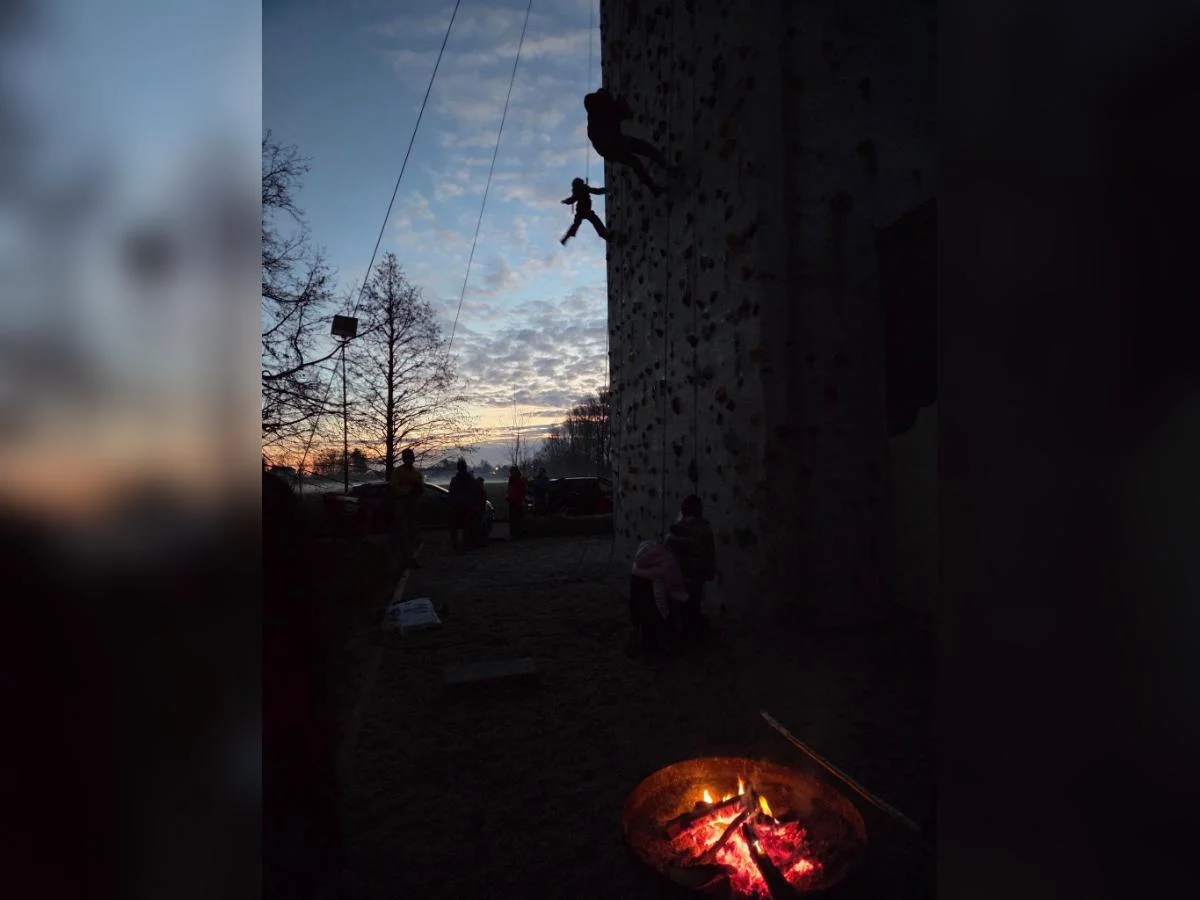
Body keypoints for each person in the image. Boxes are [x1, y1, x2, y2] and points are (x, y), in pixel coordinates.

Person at [584, 88, 673, 197]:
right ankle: (665, 167)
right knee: (645, 149)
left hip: (609, 149)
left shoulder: (595, 117)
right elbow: (626, 114)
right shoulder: (606, 108)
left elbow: (622, 116)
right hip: (613, 144)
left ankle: (654, 187)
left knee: (636, 162)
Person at [664, 494, 718, 644]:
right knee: (691, 607)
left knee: (682, 607)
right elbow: (709, 555)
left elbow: (669, 545)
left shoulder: (682, 530)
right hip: (693, 575)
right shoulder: (704, 529)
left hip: (684, 574)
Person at [626, 538, 690, 658]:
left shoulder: (648, 549)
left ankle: (635, 646)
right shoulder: (668, 563)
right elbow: (664, 590)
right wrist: (666, 611)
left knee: (638, 617)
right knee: (651, 620)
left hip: (635, 584)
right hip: (650, 592)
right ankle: (651, 652)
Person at [389, 447, 424, 570]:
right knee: (402, 533)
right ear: (404, 459)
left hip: (413, 505)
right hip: (402, 505)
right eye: (407, 458)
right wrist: (407, 491)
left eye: (411, 458)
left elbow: (421, 490)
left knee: (413, 534)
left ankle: (411, 558)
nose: (409, 460)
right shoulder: (397, 472)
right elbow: (393, 487)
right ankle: (402, 560)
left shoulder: (417, 473)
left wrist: (418, 488)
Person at [560, 177, 609, 245]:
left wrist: (566, 201)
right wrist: (606, 190)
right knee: (596, 222)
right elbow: (596, 191)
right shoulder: (583, 188)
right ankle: (606, 236)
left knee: (576, 225)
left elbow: (572, 199)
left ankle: (566, 238)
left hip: (581, 211)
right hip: (586, 210)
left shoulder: (577, 190)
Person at [447, 458, 476, 551]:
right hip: (467, 505)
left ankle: (455, 546)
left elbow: (451, 493)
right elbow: (474, 492)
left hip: (456, 505)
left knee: (454, 527)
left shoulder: (454, 480)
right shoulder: (470, 479)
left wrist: (451, 503)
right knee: (467, 526)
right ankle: (467, 544)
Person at [505, 466, 527, 537]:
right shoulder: (517, 480)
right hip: (515, 501)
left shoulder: (516, 480)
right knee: (515, 518)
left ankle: (516, 533)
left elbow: (519, 491)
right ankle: (516, 533)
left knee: (515, 518)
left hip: (516, 501)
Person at [473, 476, 490, 546]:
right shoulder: (481, 489)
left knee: (480, 525)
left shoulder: (477, 490)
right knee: (482, 525)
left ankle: (481, 541)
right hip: (481, 509)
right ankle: (483, 540)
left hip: (479, 509)